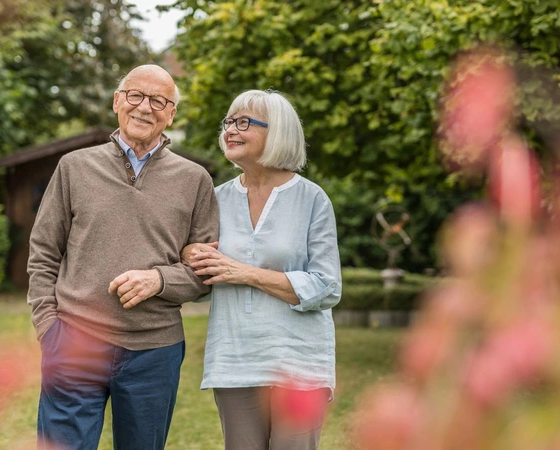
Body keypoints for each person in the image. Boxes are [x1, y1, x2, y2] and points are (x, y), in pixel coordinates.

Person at [27, 64, 219, 450]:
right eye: (135, 95)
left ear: (171, 114)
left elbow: (204, 274)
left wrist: (159, 281)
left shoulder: (195, 180)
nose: (144, 107)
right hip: (75, 341)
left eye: (158, 100)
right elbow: (44, 252)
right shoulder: (75, 168)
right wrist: (48, 326)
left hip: (155, 351)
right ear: (118, 101)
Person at [182, 90, 342, 450]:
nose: (230, 131)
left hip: (299, 364)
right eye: (228, 122)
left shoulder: (312, 198)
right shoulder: (215, 198)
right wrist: (189, 250)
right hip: (235, 359)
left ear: (278, 132)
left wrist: (245, 273)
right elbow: (197, 257)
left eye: (243, 123)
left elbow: (328, 286)